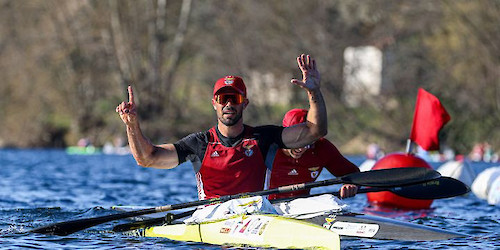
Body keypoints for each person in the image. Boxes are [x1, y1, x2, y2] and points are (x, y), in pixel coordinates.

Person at [116, 54, 328, 200]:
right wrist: (132, 125)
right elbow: (146, 158)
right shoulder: (198, 144)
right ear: (214, 103)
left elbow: (315, 131)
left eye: (234, 98)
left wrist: (314, 93)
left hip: (255, 214)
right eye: (223, 98)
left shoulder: (263, 137)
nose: (228, 104)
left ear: (244, 103)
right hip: (212, 217)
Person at [266, 108, 359, 200]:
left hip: (301, 205)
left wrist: (351, 185)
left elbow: (354, 175)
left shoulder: (322, 148)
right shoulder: (266, 147)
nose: (301, 147)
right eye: (295, 140)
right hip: (265, 204)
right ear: (284, 134)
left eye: (307, 140)